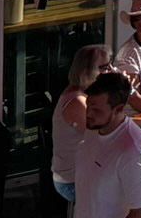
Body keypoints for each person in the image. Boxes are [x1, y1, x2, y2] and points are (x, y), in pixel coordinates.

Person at [77, 70, 141, 218]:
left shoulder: (134, 153)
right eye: (88, 106)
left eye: (96, 110)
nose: (88, 114)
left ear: (118, 109)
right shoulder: (94, 128)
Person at [52, 44, 112, 212]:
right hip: (72, 181)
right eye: (103, 68)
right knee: (132, 193)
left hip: (89, 172)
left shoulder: (88, 94)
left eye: (110, 65)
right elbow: (106, 133)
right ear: (86, 72)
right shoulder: (77, 101)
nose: (110, 71)